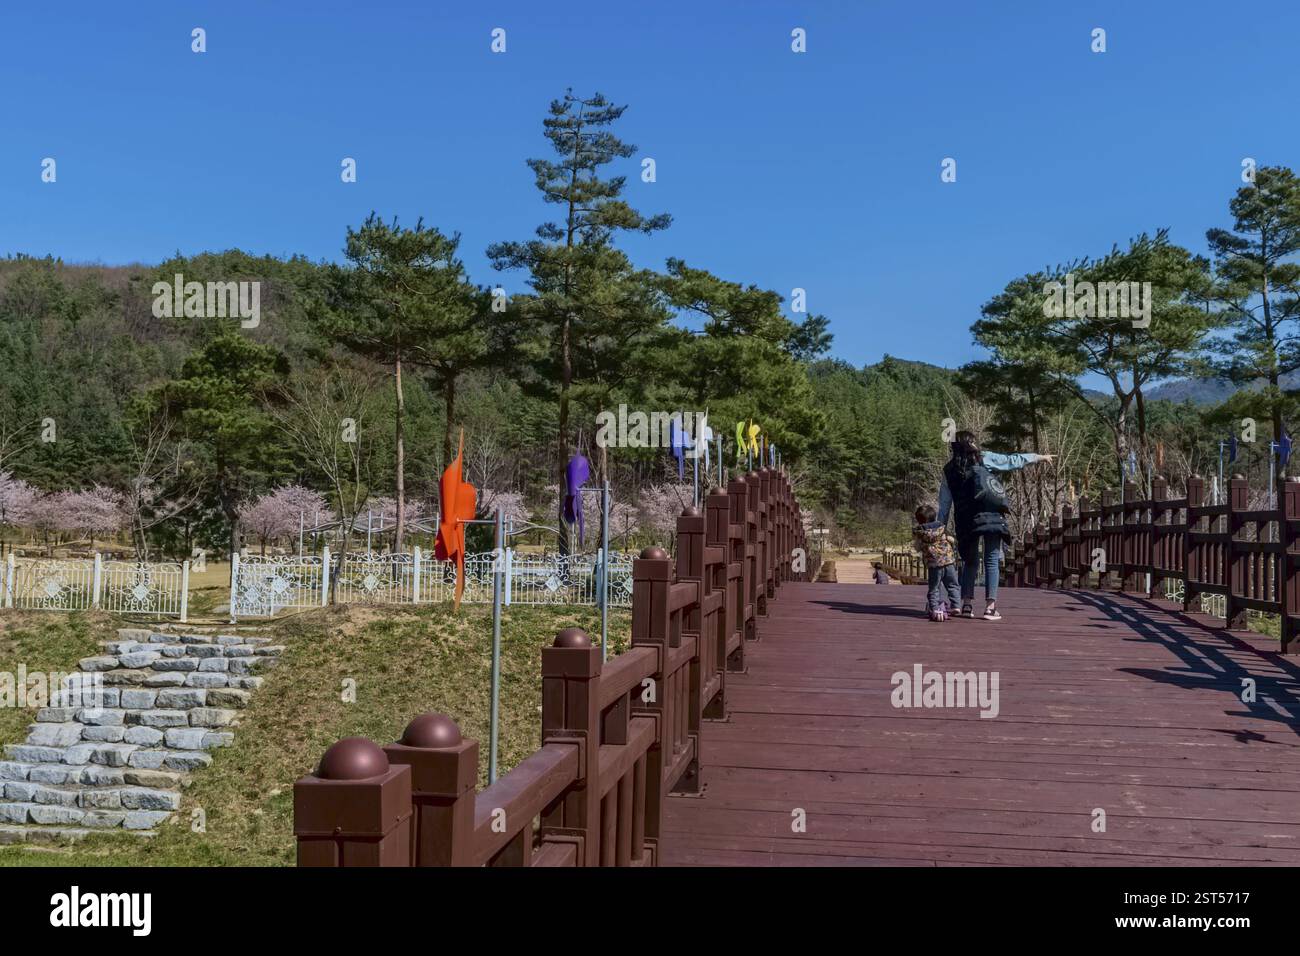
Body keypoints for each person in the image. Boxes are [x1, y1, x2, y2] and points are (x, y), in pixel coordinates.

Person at [937, 431, 1052, 621]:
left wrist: (940, 530)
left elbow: (944, 505)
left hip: (966, 520)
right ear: (972, 443)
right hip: (991, 516)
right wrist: (1038, 457)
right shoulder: (984, 457)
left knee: (970, 562)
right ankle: (990, 608)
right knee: (991, 560)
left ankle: (967, 605)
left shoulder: (949, 470)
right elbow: (1010, 461)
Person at [912, 504, 959, 621]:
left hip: (934, 565)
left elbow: (917, 547)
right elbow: (952, 540)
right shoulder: (942, 528)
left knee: (934, 588)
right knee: (953, 584)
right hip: (948, 562)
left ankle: (934, 608)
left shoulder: (920, 533)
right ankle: (956, 605)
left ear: (919, 520)